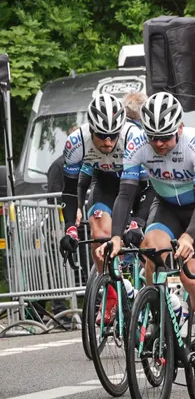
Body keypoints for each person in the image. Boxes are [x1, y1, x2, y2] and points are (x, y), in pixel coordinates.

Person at [110, 93, 195, 377]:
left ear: (180, 130)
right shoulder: (138, 144)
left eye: (166, 137)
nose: (159, 144)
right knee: (151, 250)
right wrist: (115, 236)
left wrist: (188, 237)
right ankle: (163, 321)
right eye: (154, 137)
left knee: (192, 277)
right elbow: (125, 194)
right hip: (167, 207)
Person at [58, 93, 153, 276]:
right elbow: (70, 189)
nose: (108, 141)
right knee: (100, 235)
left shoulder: (134, 137)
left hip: (137, 187)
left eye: (112, 135)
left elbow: (149, 187)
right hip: (105, 182)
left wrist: (137, 222)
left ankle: (154, 289)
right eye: (102, 135)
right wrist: (71, 228)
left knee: (148, 244)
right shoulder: (77, 142)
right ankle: (115, 290)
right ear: (91, 129)